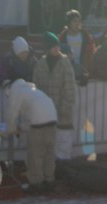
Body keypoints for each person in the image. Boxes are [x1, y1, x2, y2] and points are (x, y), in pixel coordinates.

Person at [4, 78, 58, 191]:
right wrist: (22, 127)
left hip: (38, 124)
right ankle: (50, 180)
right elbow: (33, 114)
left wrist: (11, 129)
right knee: (49, 153)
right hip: (52, 120)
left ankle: (36, 182)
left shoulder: (16, 92)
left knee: (35, 155)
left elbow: (12, 113)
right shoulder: (31, 90)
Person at [33, 33, 77, 161]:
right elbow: (36, 88)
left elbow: (70, 89)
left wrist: (64, 109)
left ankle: (64, 171)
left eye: (57, 46)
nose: (56, 49)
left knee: (64, 144)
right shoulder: (40, 64)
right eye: (52, 46)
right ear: (47, 48)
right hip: (46, 114)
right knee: (48, 145)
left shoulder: (65, 63)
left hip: (63, 114)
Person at [58, 10, 96, 83]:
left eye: (79, 21)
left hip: (83, 71)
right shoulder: (62, 37)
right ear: (69, 23)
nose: (77, 23)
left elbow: (92, 54)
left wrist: (88, 71)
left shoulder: (86, 36)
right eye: (74, 21)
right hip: (67, 71)